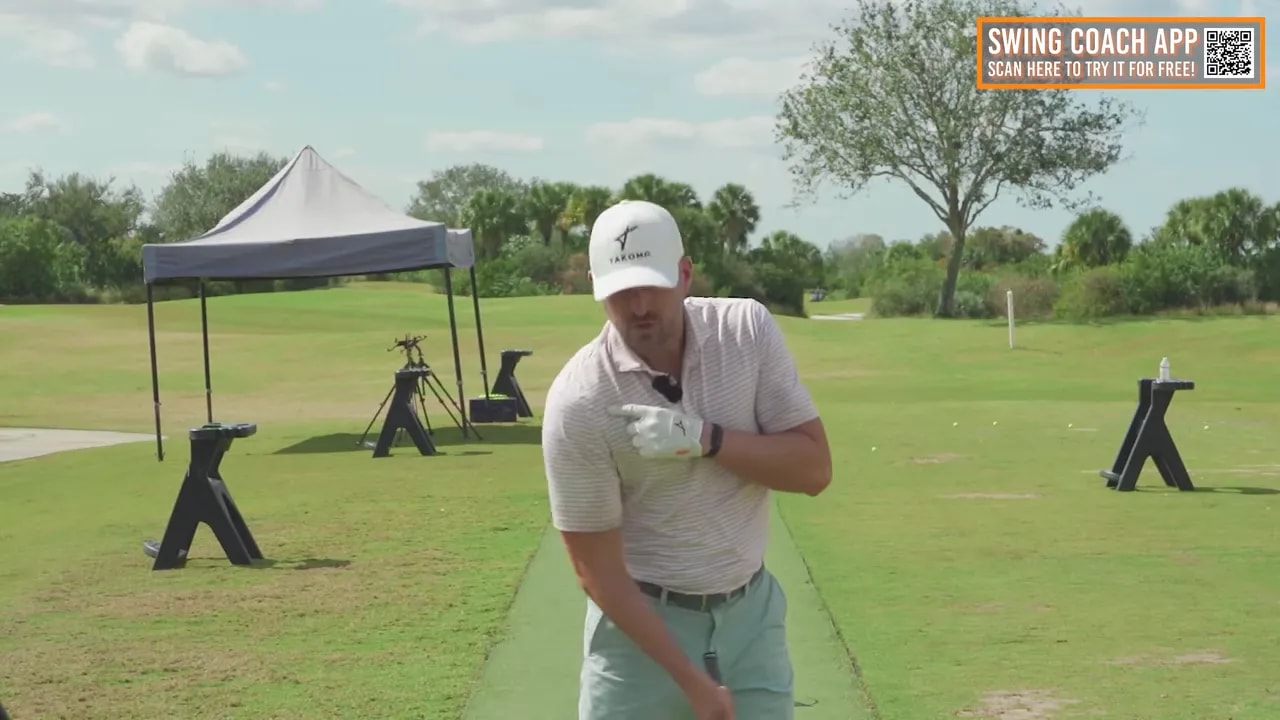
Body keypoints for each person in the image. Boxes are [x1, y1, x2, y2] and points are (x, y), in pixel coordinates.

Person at [541, 199, 833, 720]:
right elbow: (595, 568)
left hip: (751, 620)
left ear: (684, 274)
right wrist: (691, 681)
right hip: (638, 634)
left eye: (651, 285)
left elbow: (814, 470)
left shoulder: (745, 332)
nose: (638, 306)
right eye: (620, 291)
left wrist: (706, 439)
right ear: (595, 286)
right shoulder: (580, 400)